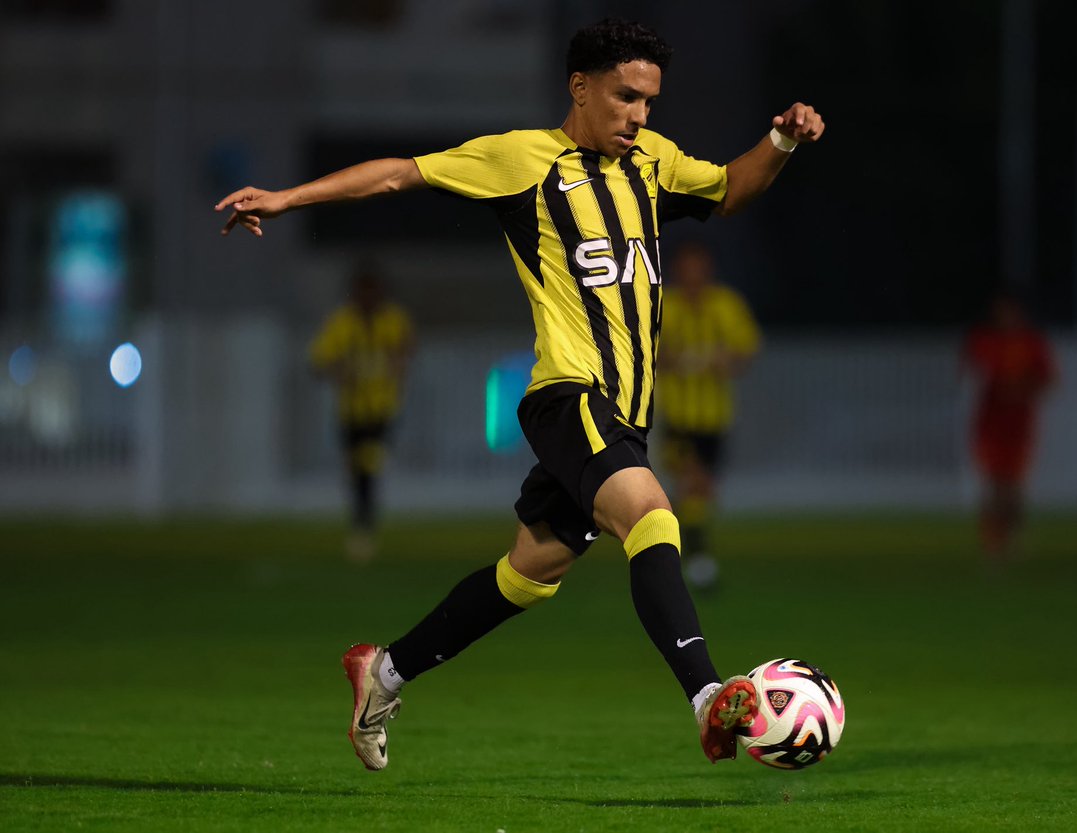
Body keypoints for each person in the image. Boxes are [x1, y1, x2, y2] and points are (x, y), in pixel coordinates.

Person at [215, 18, 824, 769]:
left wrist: (782, 141)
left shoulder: (653, 163)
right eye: (625, 97)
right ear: (580, 88)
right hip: (570, 395)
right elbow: (401, 173)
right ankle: (708, 697)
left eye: (649, 102)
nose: (639, 116)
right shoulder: (522, 159)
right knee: (652, 515)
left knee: (529, 574)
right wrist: (285, 198)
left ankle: (384, 672)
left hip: (626, 414)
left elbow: (730, 189)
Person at [656, 241, 760, 589]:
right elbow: (645, 351)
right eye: (687, 268)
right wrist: (677, 360)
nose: (693, 275)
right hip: (677, 416)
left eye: (698, 268)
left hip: (715, 417)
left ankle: (680, 551)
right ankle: (698, 561)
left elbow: (746, 350)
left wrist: (724, 360)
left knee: (700, 492)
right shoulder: (664, 306)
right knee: (692, 482)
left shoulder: (726, 304)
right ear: (677, 271)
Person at [309, 262, 415, 563]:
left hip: (383, 410)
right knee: (359, 471)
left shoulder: (393, 319)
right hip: (351, 411)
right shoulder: (342, 323)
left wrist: (396, 365)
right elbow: (319, 361)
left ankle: (363, 528)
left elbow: (406, 349)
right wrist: (341, 372)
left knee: (368, 464)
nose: (368, 297)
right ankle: (363, 525)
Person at [962, 292, 1057, 560]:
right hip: (989, 424)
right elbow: (972, 372)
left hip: (1019, 426)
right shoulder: (984, 341)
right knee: (993, 485)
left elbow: (1048, 380)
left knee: (1013, 488)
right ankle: (993, 544)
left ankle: (1012, 537)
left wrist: (1021, 389)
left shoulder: (1031, 343)